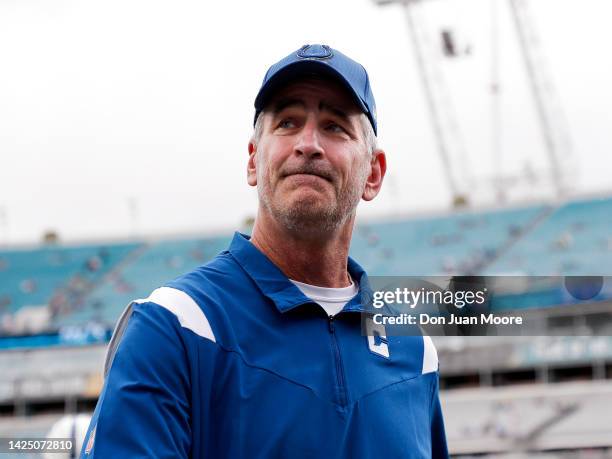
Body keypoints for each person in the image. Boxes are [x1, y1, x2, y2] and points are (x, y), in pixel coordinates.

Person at [80, 44, 448, 458]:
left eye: (335, 126)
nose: (308, 144)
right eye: (288, 122)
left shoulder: (415, 352)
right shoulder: (176, 326)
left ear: (373, 173)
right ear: (254, 160)